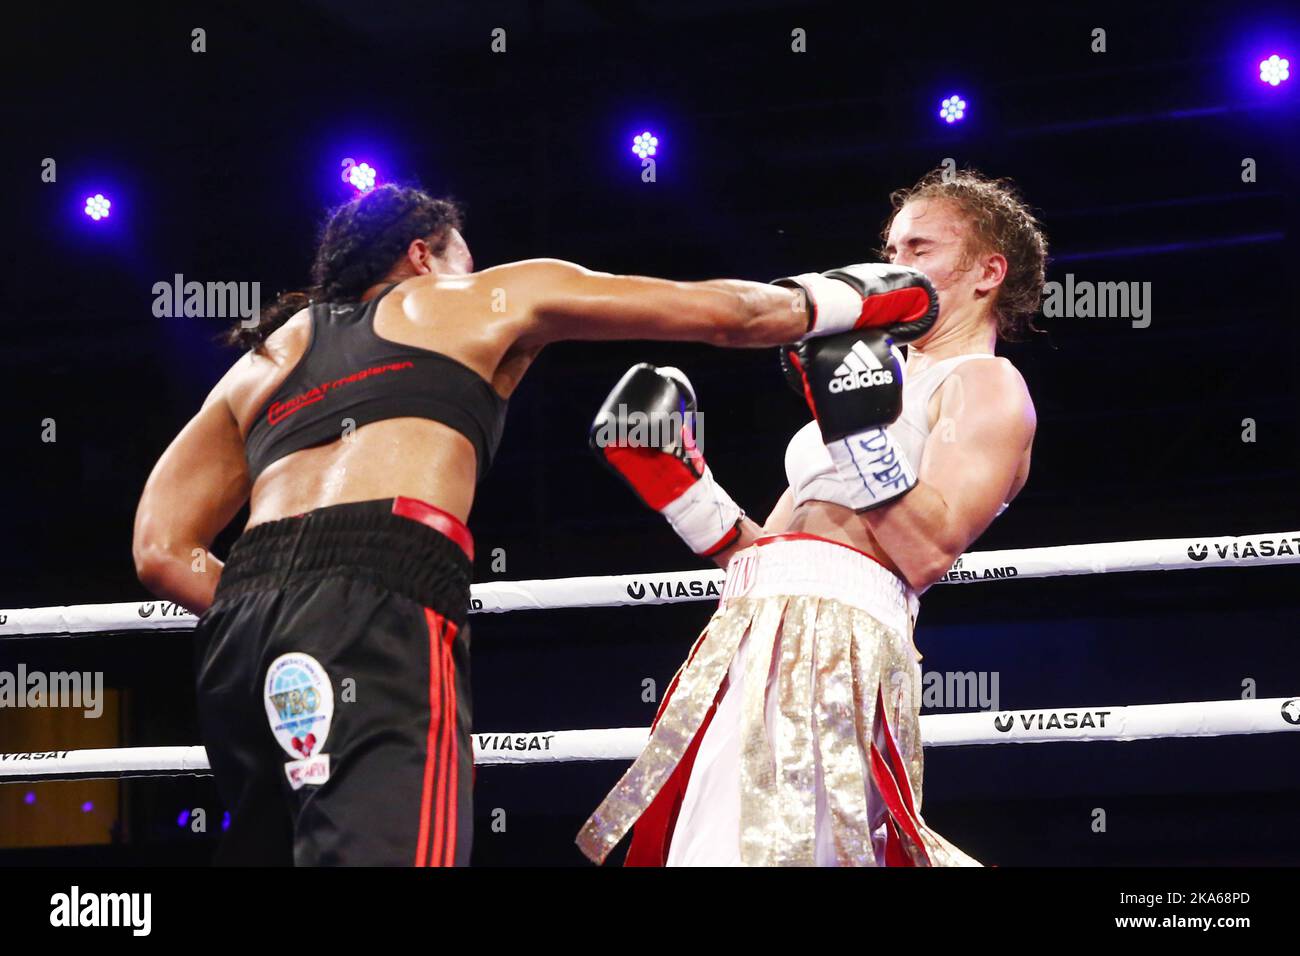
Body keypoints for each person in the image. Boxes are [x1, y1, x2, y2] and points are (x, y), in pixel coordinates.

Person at [131, 182, 936, 866]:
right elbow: (732, 314)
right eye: (464, 257)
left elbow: (160, 550)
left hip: (242, 629)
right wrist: (856, 296)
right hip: (379, 592)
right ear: (423, 254)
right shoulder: (480, 297)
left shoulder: (263, 358)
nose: (472, 272)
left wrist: (286, 608)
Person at [578, 168, 1046, 866]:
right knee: (712, 845)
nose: (897, 266)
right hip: (755, 627)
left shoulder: (987, 384)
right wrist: (680, 485)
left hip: (843, 639)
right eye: (892, 251)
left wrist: (854, 427)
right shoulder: (866, 378)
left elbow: (928, 549)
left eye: (920, 249)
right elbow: (767, 554)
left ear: (988, 272)